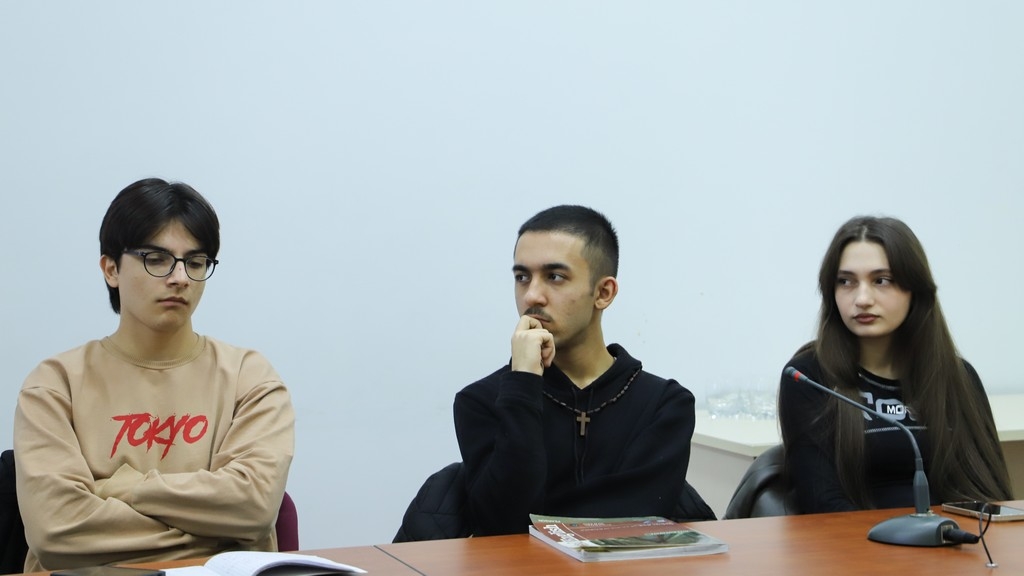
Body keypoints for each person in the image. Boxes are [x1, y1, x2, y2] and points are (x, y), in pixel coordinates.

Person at [13, 178, 295, 571]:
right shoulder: (55, 384)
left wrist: (124, 487)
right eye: (157, 259)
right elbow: (57, 531)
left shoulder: (250, 377)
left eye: (195, 262)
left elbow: (253, 507)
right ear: (111, 268)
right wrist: (215, 535)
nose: (180, 277)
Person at [454, 205, 705, 536]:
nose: (532, 295)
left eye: (555, 277)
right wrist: (523, 383)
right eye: (522, 277)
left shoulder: (664, 405)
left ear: (603, 293)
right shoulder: (482, 401)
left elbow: (632, 525)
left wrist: (541, 515)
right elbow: (502, 526)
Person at [778, 215, 1011, 514]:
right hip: (854, 541)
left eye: (881, 280)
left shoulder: (958, 377)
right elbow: (822, 505)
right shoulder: (808, 377)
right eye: (846, 281)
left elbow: (989, 497)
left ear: (916, 289)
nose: (862, 299)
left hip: (950, 538)